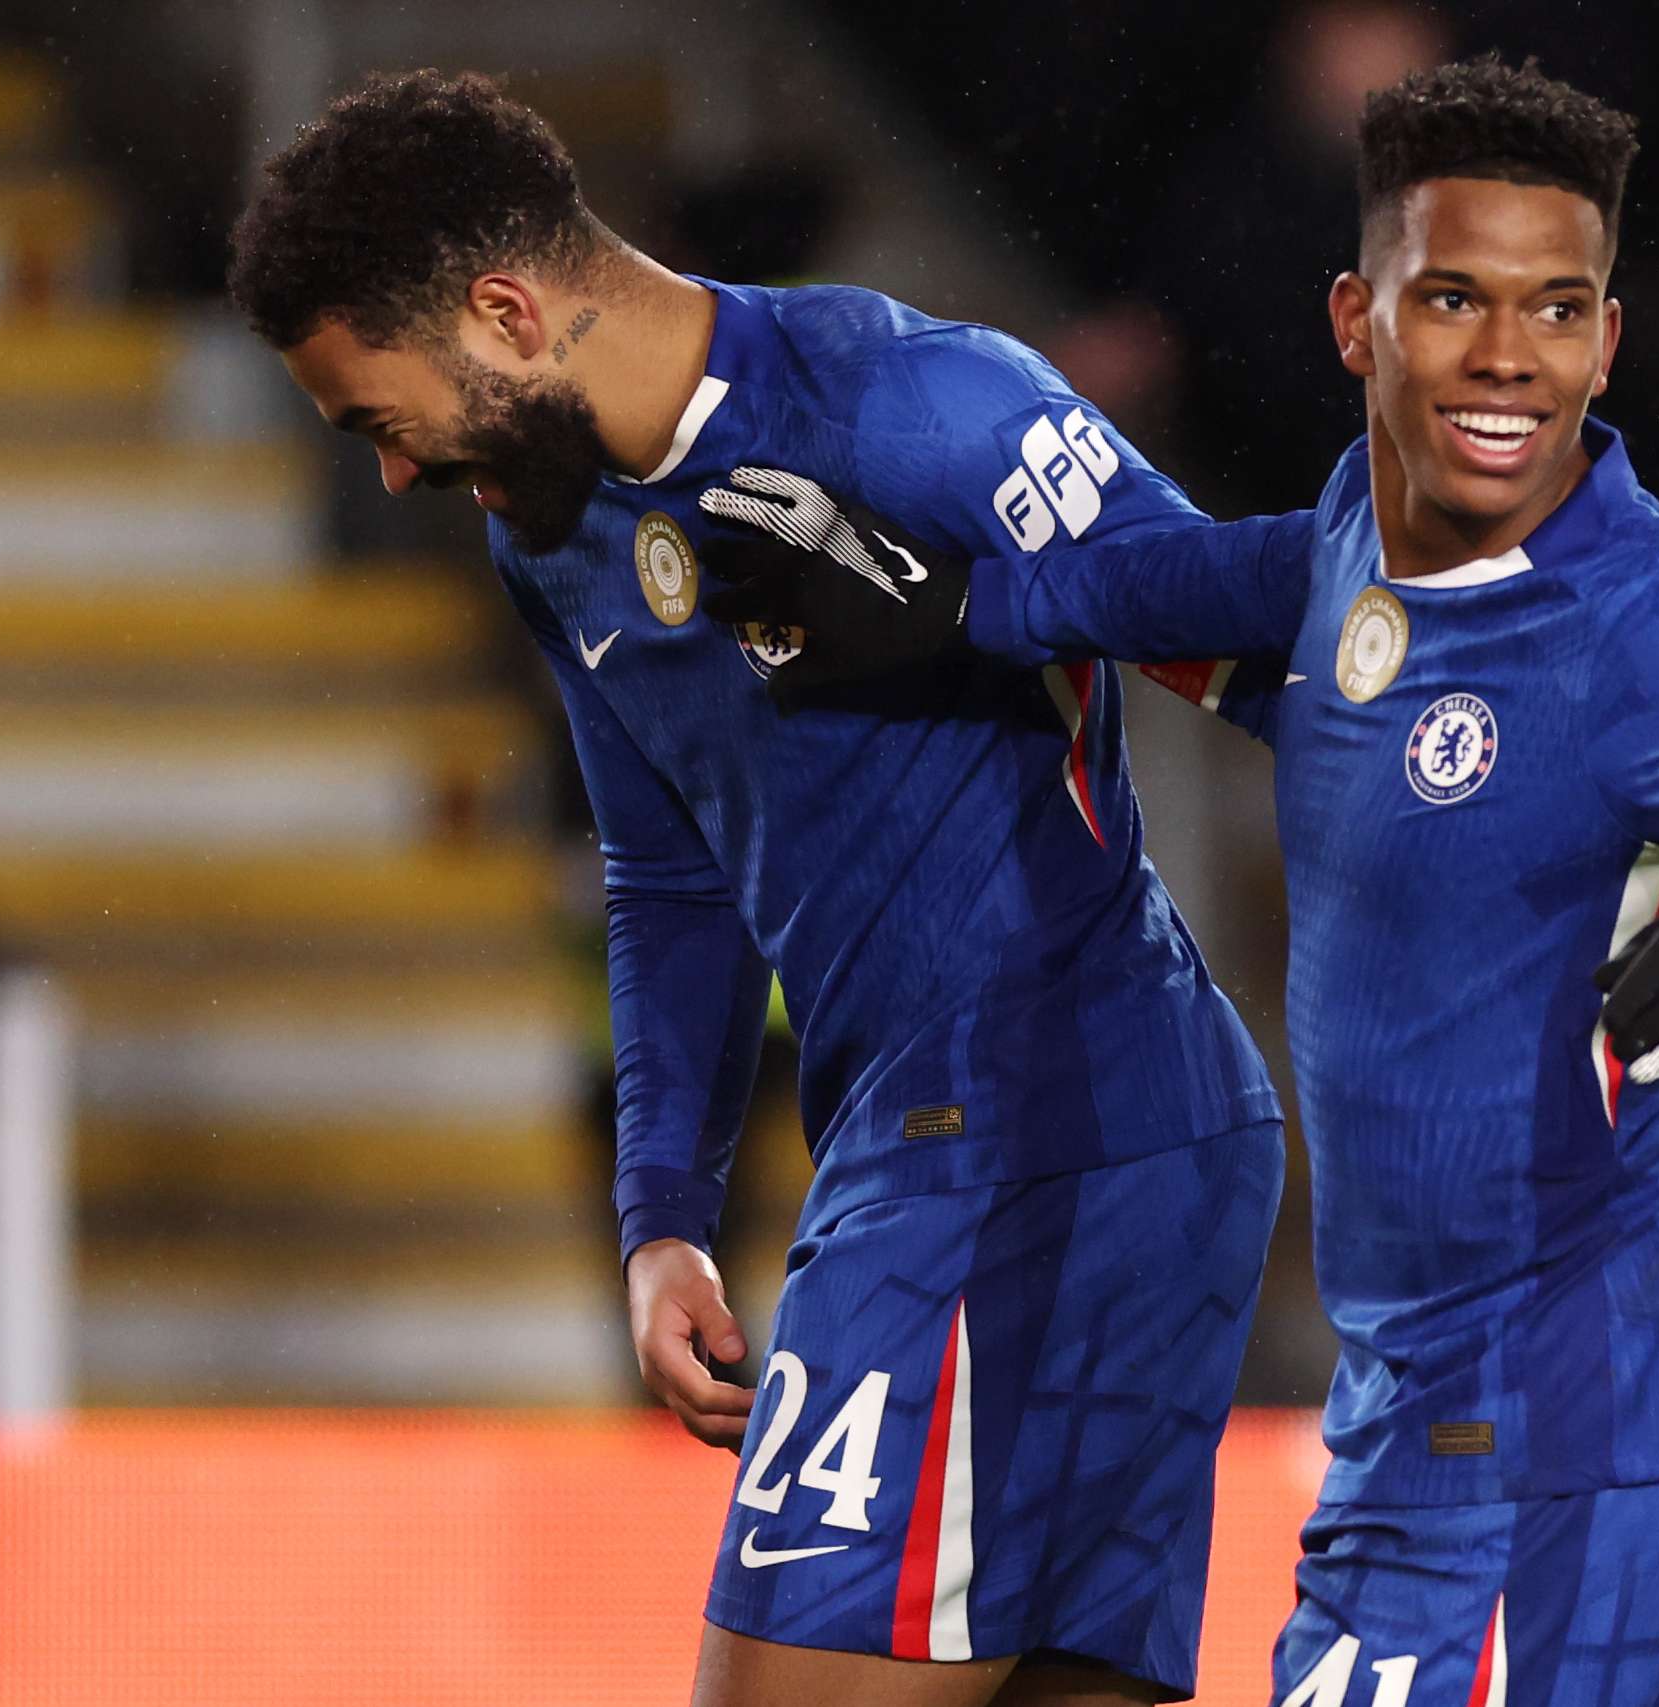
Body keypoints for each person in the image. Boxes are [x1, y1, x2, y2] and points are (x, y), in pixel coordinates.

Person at [711, 57, 1659, 1705]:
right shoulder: (1363, 536)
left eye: (1556, 309)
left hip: (1584, 1398)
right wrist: (938, 606)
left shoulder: (1654, 624)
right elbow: (1197, 580)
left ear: (1605, 340)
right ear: (1356, 321)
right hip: (1428, 1394)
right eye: (1454, 298)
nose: (1507, 355)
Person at [225, 72, 1286, 1707]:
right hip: (968, 1139)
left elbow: (1269, 651)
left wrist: (955, 605)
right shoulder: (551, 533)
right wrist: (660, 1217)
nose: (387, 476)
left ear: (504, 313)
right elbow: (666, 868)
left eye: (378, 419)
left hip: (1046, 1122)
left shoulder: (914, 407)